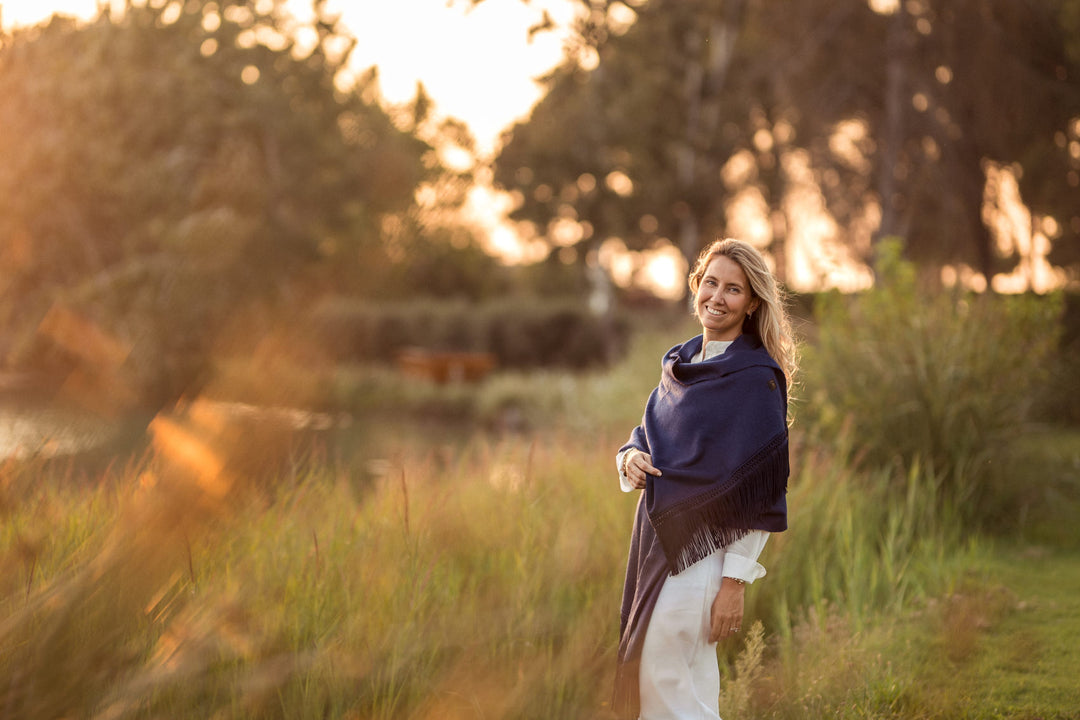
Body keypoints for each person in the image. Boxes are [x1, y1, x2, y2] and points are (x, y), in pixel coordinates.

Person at [612, 238, 797, 719]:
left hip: (699, 562)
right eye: (710, 282)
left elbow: (763, 488)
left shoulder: (756, 377)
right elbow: (650, 436)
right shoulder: (682, 364)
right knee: (685, 693)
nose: (717, 296)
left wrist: (733, 584)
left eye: (733, 289)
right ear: (696, 286)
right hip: (657, 548)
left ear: (752, 302)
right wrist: (629, 457)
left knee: (666, 693)